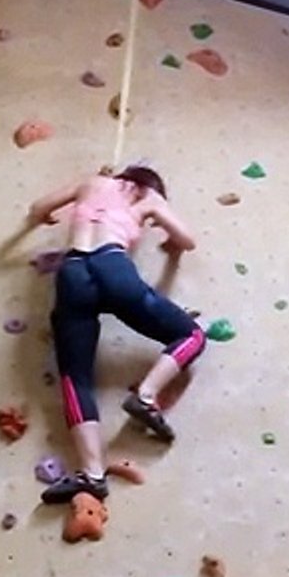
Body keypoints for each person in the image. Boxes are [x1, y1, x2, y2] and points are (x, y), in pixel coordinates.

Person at [26, 166, 205, 504]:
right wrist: (167, 236)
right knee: (191, 336)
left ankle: (92, 475)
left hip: (72, 272)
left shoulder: (91, 182)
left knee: (75, 377)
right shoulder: (148, 196)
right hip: (113, 265)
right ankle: (146, 396)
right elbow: (188, 241)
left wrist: (50, 217)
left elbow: (38, 208)